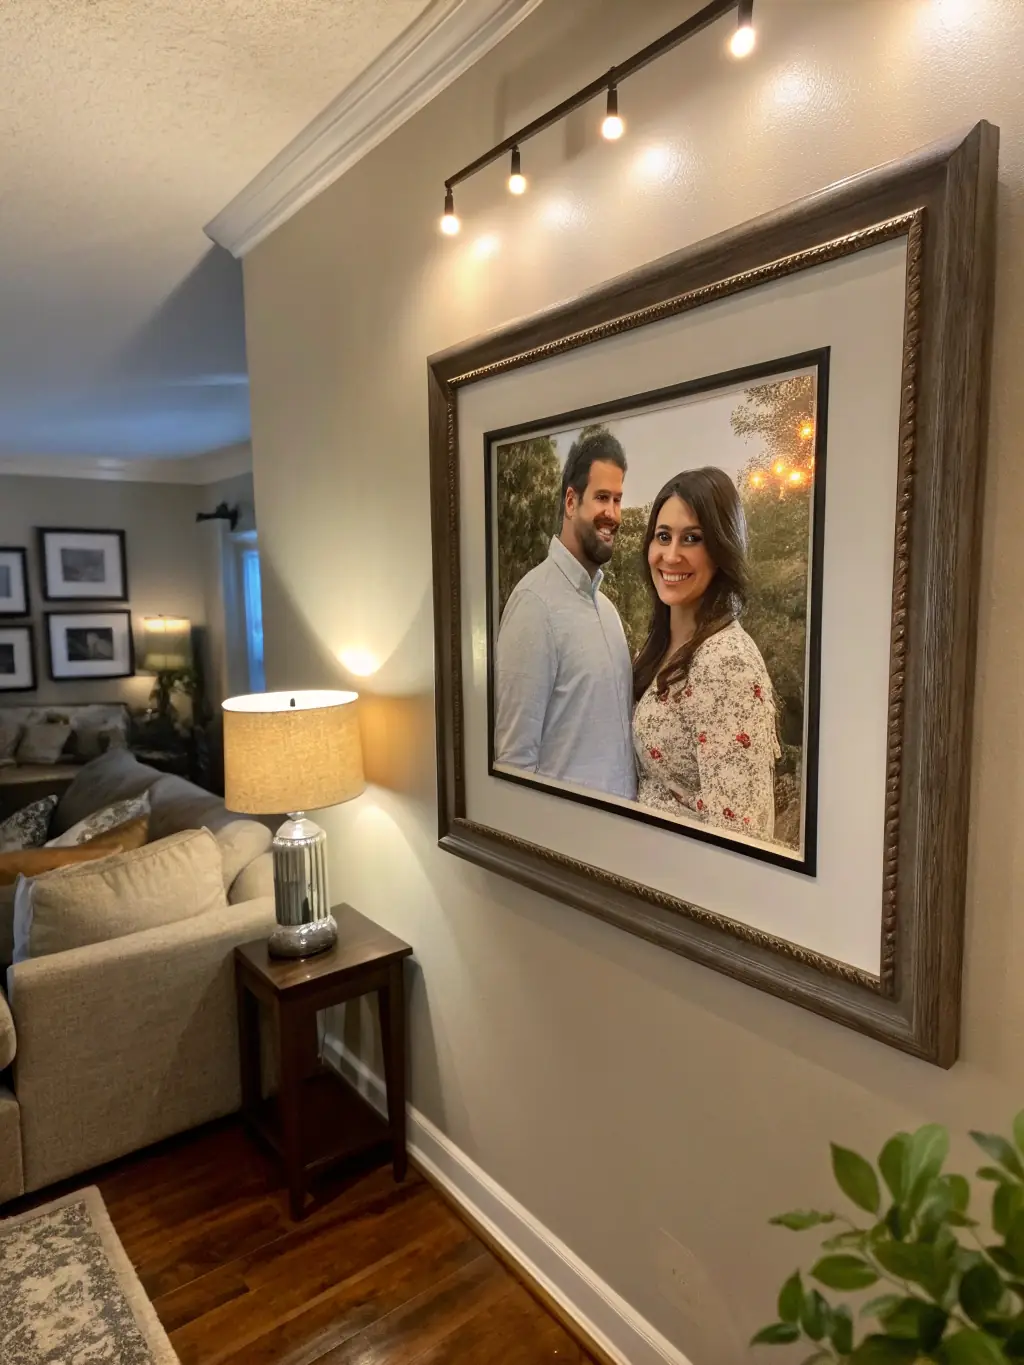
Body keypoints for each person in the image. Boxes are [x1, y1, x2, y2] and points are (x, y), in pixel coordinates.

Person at [632, 467, 780, 838]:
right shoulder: (659, 649)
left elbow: (741, 835)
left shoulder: (727, 663)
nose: (671, 554)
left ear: (721, 549)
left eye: (692, 539)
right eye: (662, 536)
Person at [494, 430, 637, 800]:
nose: (613, 514)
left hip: (620, 844)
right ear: (571, 502)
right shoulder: (534, 604)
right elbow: (513, 763)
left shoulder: (607, 612)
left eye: (618, 500)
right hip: (567, 845)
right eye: (602, 497)